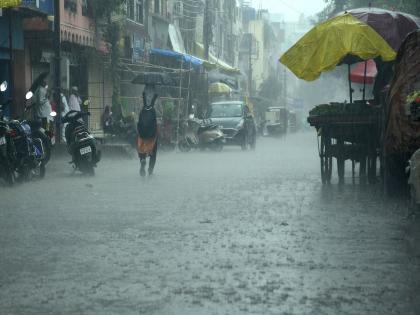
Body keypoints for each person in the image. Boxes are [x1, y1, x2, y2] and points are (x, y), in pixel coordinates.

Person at [137, 84, 158, 177]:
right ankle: (150, 170)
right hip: (152, 135)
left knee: (142, 149)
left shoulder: (142, 110)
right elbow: (155, 122)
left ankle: (142, 159)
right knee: (153, 152)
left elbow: (139, 122)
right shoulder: (153, 109)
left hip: (142, 134)